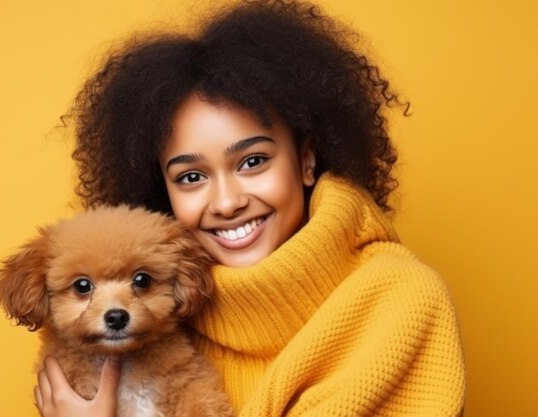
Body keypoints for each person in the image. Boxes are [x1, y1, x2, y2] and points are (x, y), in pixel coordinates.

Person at [34, 1, 466, 416]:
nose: (227, 202)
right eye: (191, 177)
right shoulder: (156, 322)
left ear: (307, 160)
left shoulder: (400, 303)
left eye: (253, 161)